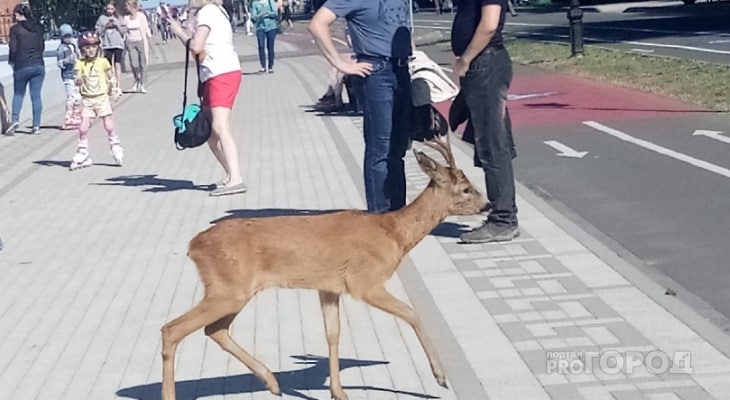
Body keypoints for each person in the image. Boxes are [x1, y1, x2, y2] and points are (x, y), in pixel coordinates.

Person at [309, 0, 412, 213]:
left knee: (398, 146)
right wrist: (340, 63)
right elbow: (318, 24)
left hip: (402, 69)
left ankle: (398, 213)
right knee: (380, 148)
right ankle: (379, 216)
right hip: (376, 72)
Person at [451, 0, 519, 243]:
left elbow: (489, 24)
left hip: (486, 64)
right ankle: (502, 213)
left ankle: (503, 219)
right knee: (490, 144)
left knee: (493, 145)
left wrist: (466, 59)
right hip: (482, 66)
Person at [168, 0, 246, 196]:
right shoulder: (216, 12)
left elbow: (196, 46)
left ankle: (236, 178)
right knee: (210, 134)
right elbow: (200, 53)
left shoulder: (208, 12)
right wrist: (184, 30)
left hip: (221, 73)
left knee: (220, 127)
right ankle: (230, 175)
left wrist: (179, 31)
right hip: (216, 74)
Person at [70, 31, 124, 171]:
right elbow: (76, 78)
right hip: (87, 99)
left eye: (93, 46)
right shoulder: (80, 63)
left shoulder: (103, 62)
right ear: (82, 49)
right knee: (83, 127)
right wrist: (78, 81)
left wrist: (115, 89)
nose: (90, 50)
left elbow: (111, 76)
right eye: (87, 47)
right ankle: (83, 152)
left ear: (98, 47)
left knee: (108, 125)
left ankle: (115, 145)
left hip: (101, 98)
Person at [5, 4, 45, 136]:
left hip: (22, 65)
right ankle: (36, 126)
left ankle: (15, 120)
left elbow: (13, 49)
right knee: (36, 96)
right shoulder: (38, 27)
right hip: (38, 64)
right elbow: (41, 46)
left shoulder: (15, 29)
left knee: (18, 94)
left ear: (17, 14)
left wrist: (12, 62)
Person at [95, 1, 125, 101]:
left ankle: (118, 86)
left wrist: (117, 25)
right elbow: (97, 31)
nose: (110, 11)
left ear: (115, 9)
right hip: (107, 45)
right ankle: (111, 85)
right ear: (105, 9)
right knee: (108, 66)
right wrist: (105, 26)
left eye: (112, 9)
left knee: (117, 65)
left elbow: (124, 31)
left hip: (118, 44)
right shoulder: (101, 19)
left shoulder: (119, 18)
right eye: (108, 9)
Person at [57, 24, 82, 130]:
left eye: (69, 36)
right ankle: (68, 117)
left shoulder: (73, 46)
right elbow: (60, 63)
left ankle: (76, 116)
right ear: (62, 37)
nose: (68, 38)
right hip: (68, 75)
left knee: (78, 96)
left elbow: (79, 56)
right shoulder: (61, 49)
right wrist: (68, 60)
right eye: (65, 36)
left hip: (76, 73)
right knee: (71, 96)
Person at [125, 0, 152, 93]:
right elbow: (125, 30)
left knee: (143, 64)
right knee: (134, 64)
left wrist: (149, 40)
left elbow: (146, 28)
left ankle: (142, 84)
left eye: (127, 6)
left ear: (133, 7)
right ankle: (137, 79)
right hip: (130, 42)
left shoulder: (141, 16)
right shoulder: (126, 18)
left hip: (141, 41)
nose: (126, 8)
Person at [251, 0, 279, 73]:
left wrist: (267, 14)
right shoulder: (255, 3)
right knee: (261, 46)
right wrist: (259, 15)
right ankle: (263, 66)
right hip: (260, 27)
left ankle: (270, 66)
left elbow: (275, 13)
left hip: (271, 26)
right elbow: (253, 16)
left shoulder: (270, 1)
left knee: (270, 47)